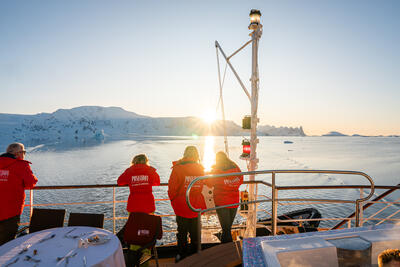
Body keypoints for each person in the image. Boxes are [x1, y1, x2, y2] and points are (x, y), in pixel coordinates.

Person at [117, 154, 160, 265]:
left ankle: (134, 258)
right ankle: (144, 259)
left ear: (134, 161)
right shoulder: (150, 170)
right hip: (148, 206)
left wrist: (132, 181)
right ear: (146, 161)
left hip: (134, 206)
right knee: (146, 233)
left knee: (134, 233)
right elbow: (157, 182)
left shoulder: (130, 171)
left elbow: (119, 181)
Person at [168, 146, 205, 262]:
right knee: (195, 233)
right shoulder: (200, 168)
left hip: (182, 206)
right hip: (195, 207)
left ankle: (182, 256)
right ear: (196, 155)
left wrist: (175, 202)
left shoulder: (178, 168)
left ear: (184, 154)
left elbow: (171, 189)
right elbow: (206, 182)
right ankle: (196, 256)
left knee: (182, 233)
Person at [0, 143, 38, 246]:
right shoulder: (21, 165)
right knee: (7, 242)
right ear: (17, 154)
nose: (24, 154)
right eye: (23, 152)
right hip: (11, 211)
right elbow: (31, 183)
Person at [209, 151, 243, 243]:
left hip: (222, 202)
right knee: (227, 228)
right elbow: (241, 178)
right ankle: (229, 251)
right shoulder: (235, 166)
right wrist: (232, 185)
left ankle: (228, 251)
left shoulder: (217, 169)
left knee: (226, 229)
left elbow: (210, 182)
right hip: (234, 201)